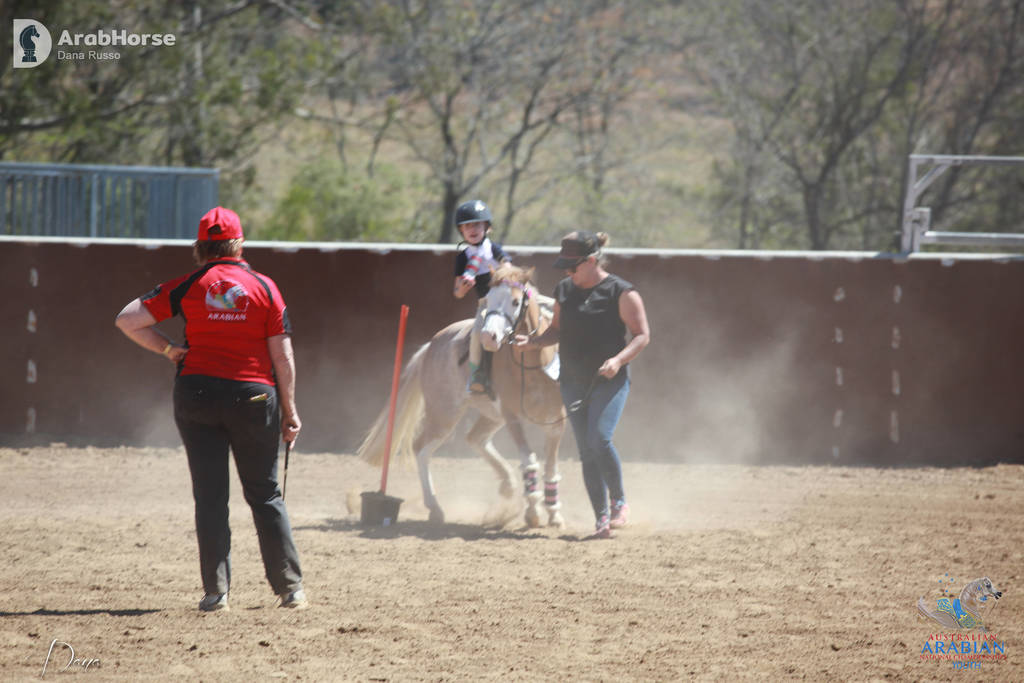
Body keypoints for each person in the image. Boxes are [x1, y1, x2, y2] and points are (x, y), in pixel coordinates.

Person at [114, 206, 308, 611]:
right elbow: (283, 356)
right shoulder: (265, 287)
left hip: (197, 392)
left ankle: (216, 592)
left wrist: (169, 349)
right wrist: (290, 412)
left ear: (200, 247)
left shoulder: (188, 284)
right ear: (238, 244)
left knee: (210, 495)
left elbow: (127, 319)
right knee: (265, 492)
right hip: (255, 397)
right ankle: (290, 589)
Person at [515, 230, 650, 539]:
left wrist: (618, 360)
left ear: (592, 261)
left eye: (572, 265)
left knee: (599, 438)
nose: (567, 271)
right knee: (586, 450)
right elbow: (556, 330)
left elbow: (642, 334)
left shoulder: (621, 292)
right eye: (564, 265)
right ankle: (601, 518)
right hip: (572, 381)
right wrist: (533, 342)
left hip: (608, 380)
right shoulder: (564, 290)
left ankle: (619, 502)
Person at [452, 199, 510, 397]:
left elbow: (509, 268)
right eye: (467, 226)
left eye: (477, 224)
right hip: (487, 304)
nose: (472, 229)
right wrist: (465, 287)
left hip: (506, 298)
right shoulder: (463, 257)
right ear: (461, 231)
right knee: (478, 331)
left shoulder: (494, 248)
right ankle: (477, 375)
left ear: (487, 227)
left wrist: (500, 273)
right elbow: (457, 292)